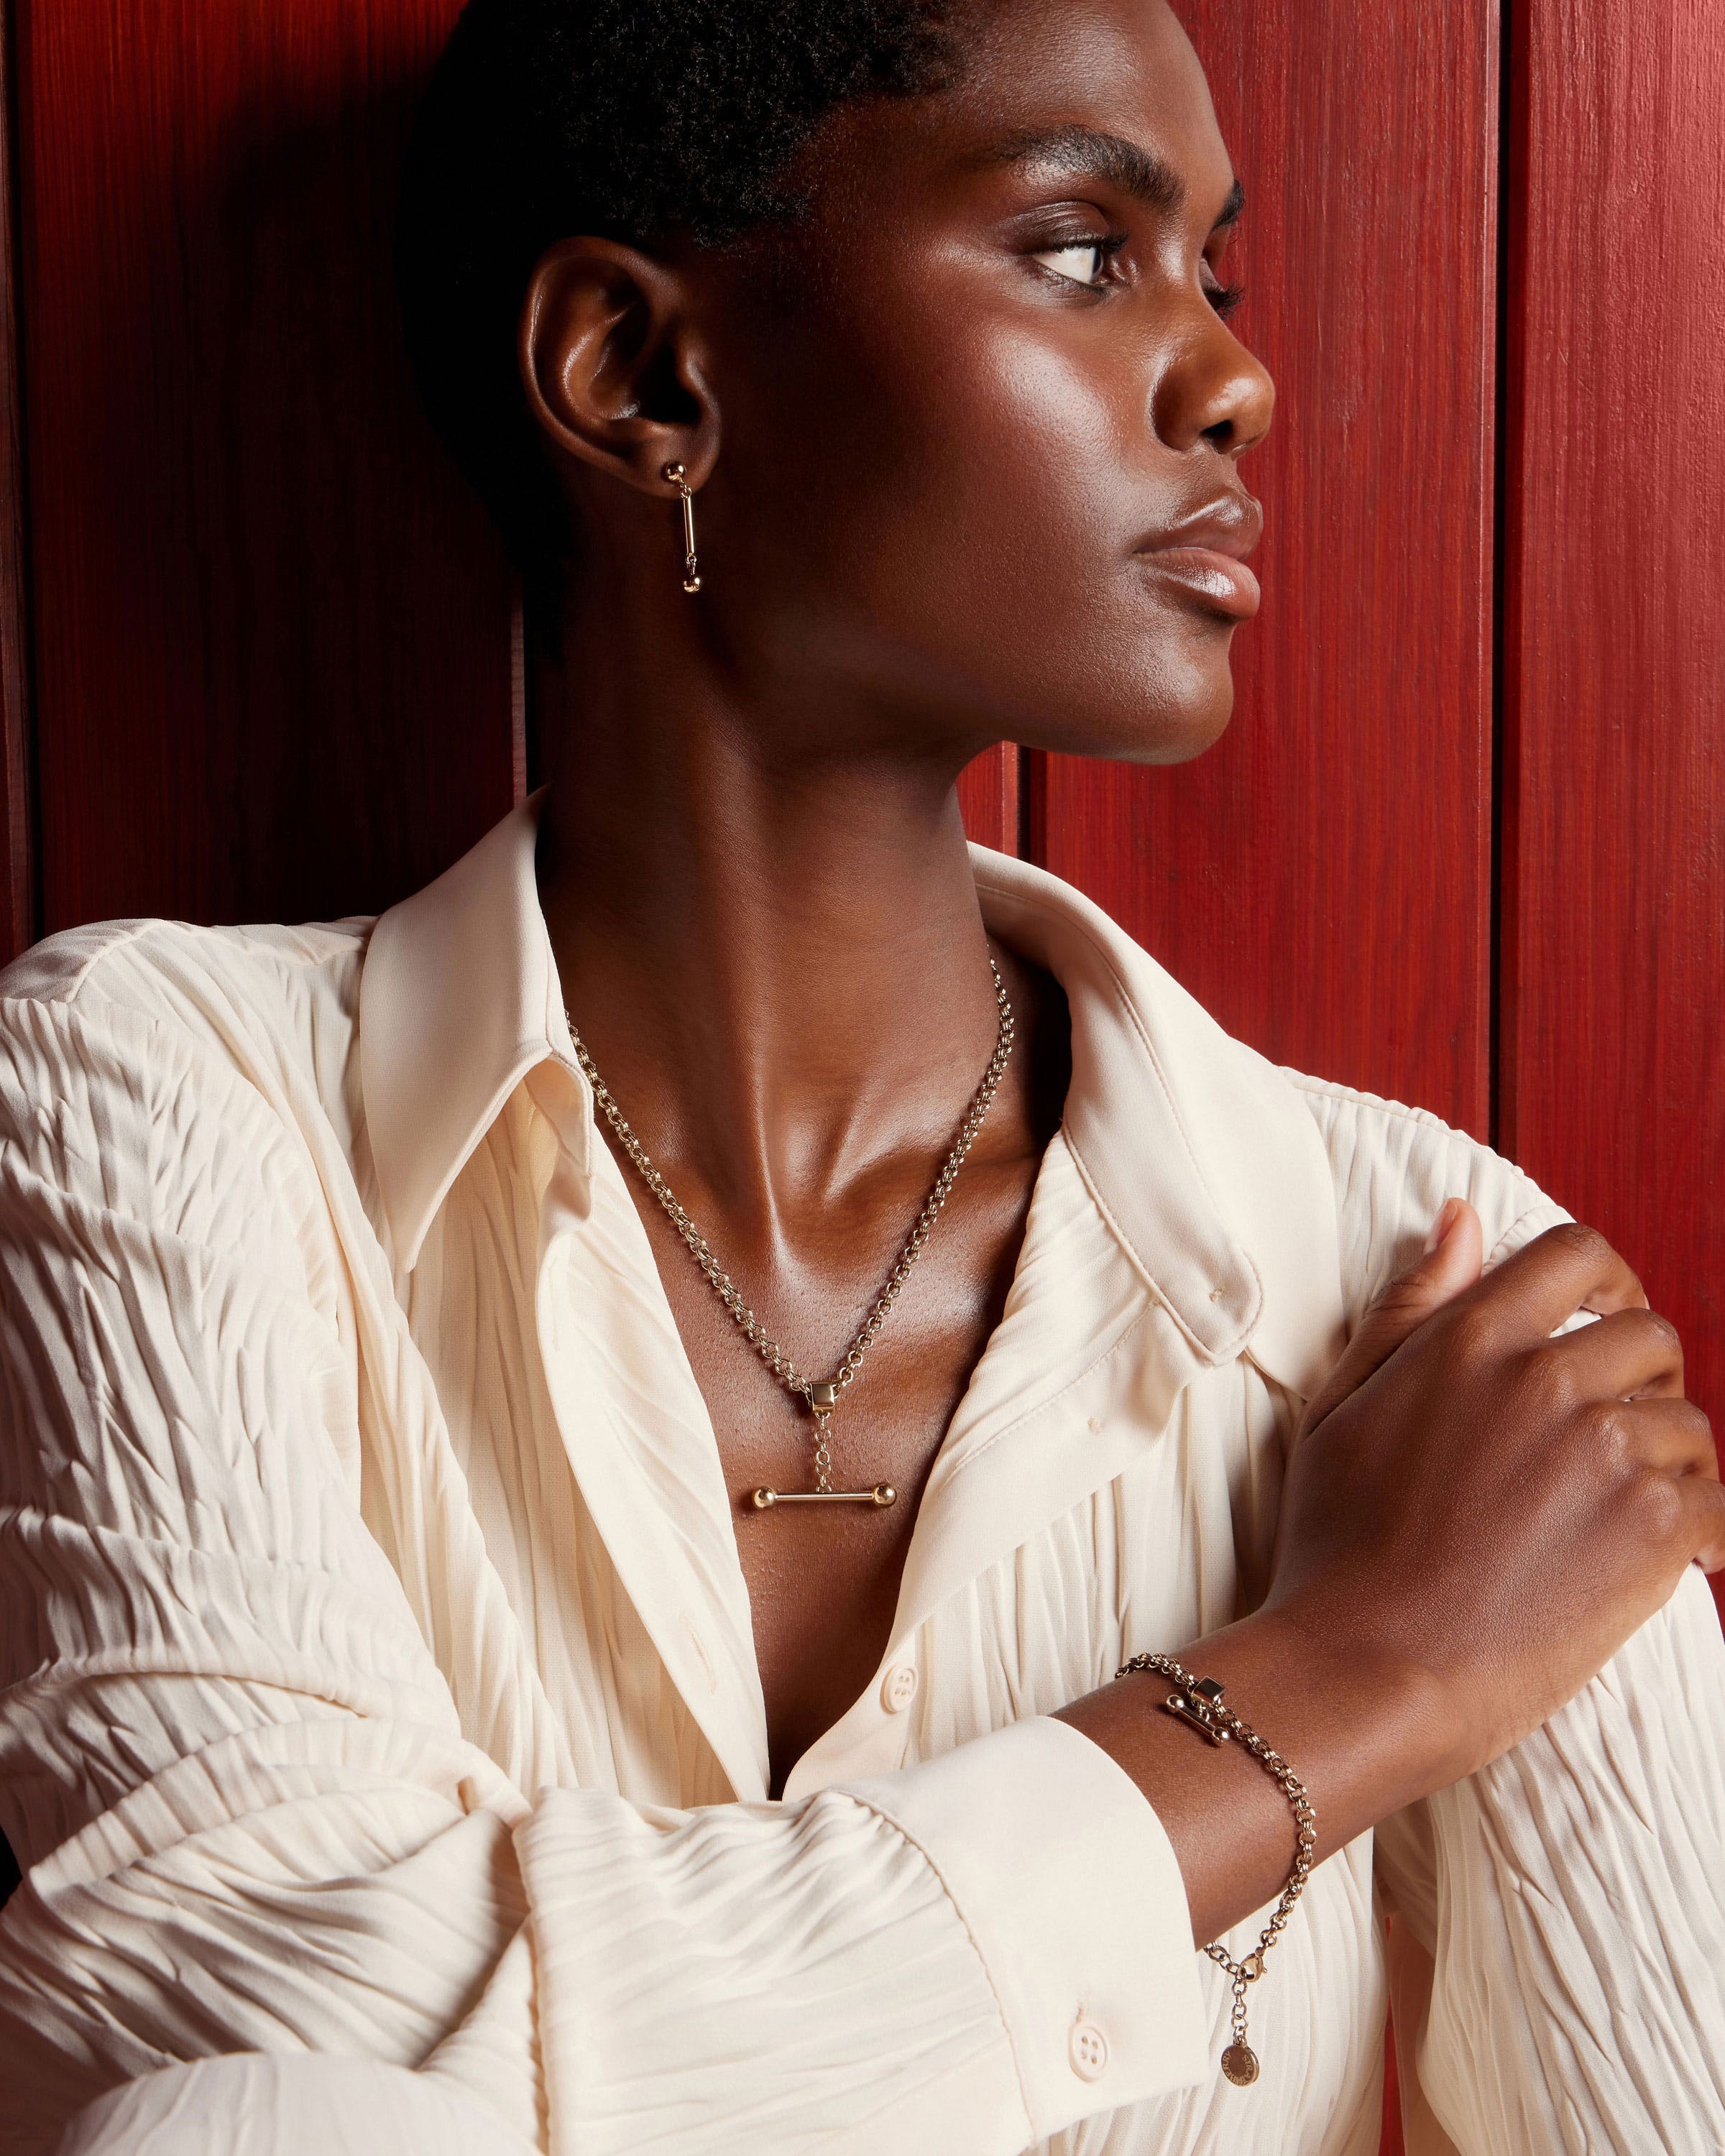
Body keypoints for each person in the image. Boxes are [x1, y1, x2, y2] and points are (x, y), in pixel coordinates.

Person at [1, 1, 1722, 2150]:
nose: (1233, 378)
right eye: (1085, 250)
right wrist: (1346, 1681)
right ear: (640, 378)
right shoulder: (165, 1089)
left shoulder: (1429, 1285)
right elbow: (256, 1973)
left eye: (1219, 272)